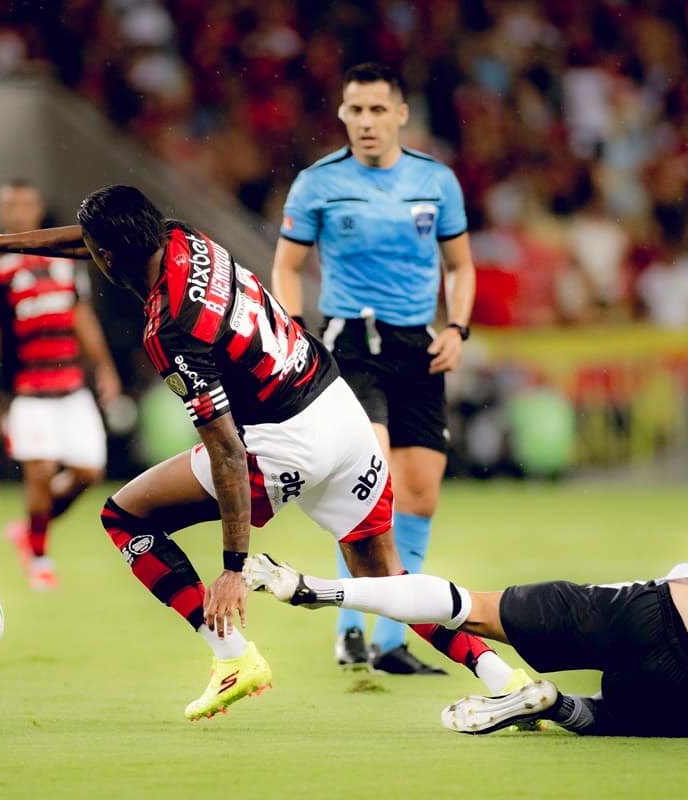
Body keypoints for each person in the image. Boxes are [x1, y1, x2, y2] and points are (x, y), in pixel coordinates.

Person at [0, 185, 529, 721]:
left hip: (283, 440)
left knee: (125, 518)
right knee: (387, 581)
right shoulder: (183, 237)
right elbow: (93, 238)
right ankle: (509, 683)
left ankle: (233, 659)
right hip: (340, 412)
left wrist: (233, 565)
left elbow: (229, 453)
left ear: (106, 257)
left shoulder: (169, 327)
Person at [244, 501, 688, 736]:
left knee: (473, 605)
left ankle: (317, 589)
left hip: (643, 607)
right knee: (610, 717)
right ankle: (552, 704)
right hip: (687, 687)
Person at [271, 62, 476, 674]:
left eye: (377, 110)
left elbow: (461, 266)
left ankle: (392, 643)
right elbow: (286, 265)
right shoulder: (317, 183)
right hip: (349, 344)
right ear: (341, 115)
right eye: (354, 110)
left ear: (400, 114)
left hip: (418, 346)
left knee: (420, 494)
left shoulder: (436, 182)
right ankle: (349, 628)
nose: (365, 122)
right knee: (372, 482)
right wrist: (293, 327)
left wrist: (458, 328)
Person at [0, 178, 121, 590]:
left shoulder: (66, 260)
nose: (18, 213)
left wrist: (104, 366)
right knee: (41, 471)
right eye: (11, 206)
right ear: (3, 213)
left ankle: (29, 527)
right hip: (27, 391)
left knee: (89, 472)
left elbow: (81, 315)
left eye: (26, 205)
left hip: (72, 386)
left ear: (38, 211)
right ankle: (38, 556)